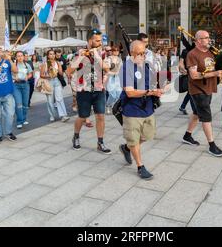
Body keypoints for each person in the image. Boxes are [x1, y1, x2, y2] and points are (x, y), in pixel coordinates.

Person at [118, 40, 163, 180]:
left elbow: (153, 82)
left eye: (144, 53)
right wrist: (150, 92)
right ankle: (140, 166)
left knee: (148, 135)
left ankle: (126, 148)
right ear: (131, 53)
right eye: (139, 53)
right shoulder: (125, 68)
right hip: (132, 110)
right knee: (134, 139)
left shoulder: (147, 66)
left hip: (148, 108)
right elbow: (130, 92)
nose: (142, 56)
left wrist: (159, 88)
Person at [183, 30, 222, 157]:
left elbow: (214, 67)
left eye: (209, 37)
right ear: (198, 40)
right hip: (198, 89)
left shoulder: (210, 53)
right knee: (206, 117)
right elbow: (193, 75)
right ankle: (212, 145)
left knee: (197, 113)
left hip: (208, 87)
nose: (209, 39)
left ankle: (187, 136)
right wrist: (214, 74)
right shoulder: (192, 54)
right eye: (206, 38)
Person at [68, 29, 111, 154]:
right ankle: (76, 136)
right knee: (82, 117)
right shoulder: (79, 54)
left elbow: (107, 69)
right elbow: (69, 71)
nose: (100, 42)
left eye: (100, 40)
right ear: (90, 40)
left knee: (100, 116)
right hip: (84, 90)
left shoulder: (103, 54)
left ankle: (100, 142)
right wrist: (81, 57)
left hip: (99, 89)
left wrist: (97, 56)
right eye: (97, 40)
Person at [40, 49, 70, 123]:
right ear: (48, 55)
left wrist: (59, 68)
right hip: (49, 82)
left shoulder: (57, 62)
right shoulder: (45, 63)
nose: (52, 55)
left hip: (57, 81)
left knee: (59, 98)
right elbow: (41, 75)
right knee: (50, 100)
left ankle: (63, 115)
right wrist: (48, 76)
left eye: (53, 54)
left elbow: (60, 74)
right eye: (50, 54)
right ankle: (52, 115)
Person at [14, 51, 33, 129]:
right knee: (18, 104)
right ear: (16, 57)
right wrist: (14, 77)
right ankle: (19, 121)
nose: (20, 57)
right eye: (18, 56)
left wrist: (27, 77)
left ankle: (24, 119)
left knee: (25, 104)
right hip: (16, 86)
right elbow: (10, 73)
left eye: (21, 55)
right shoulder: (14, 65)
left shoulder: (27, 65)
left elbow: (31, 73)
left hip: (25, 85)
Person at [178, 48, 197, 116]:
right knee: (192, 92)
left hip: (196, 75)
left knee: (190, 92)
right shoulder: (185, 51)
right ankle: (195, 112)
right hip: (188, 75)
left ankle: (182, 106)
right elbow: (181, 63)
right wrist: (183, 70)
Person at [105, 45, 123, 114]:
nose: (116, 52)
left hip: (118, 78)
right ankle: (108, 105)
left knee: (118, 94)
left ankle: (115, 107)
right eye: (114, 50)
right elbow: (106, 69)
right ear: (112, 51)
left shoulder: (119, 59)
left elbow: (121, 68)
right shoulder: (108, 58)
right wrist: (112, 73)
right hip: (110, 77)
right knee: (112, 94)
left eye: (117, 50)